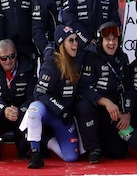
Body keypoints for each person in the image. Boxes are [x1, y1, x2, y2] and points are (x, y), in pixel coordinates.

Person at [80, 23, 137, 162]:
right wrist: (105, 102)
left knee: (119, 151)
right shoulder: (90, 57)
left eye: (114, 39)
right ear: (100, 41)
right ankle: (93, 149)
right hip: (95, 106)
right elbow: (84, 88)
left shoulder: (122, 58)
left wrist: (127, 112)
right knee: (83, 106)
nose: (111, 43)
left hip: (113, 110)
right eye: (107, 40)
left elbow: (128, 88)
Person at [21, 25, 93, 167]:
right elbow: (39, 92)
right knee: (34, 108)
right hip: (50, 111)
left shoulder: (79, 58)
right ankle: (35, 153)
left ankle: (44, 139)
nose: (75, 44)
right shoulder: (51, 64)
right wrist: (60, 109)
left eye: (76, 40)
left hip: (63, 116)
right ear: (61, 44)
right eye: (71, 41)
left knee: (71, 156)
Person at [0, 40, 35, 161]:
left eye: (11, 56)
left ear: (16, 54)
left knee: (34, 110)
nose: (8, 61)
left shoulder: (28, 67)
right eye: (4, 58)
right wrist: (4, 109)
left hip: (20, 112)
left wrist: (19, 111)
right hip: (0, 112)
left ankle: (25, 149)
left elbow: (32, 97)